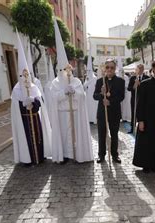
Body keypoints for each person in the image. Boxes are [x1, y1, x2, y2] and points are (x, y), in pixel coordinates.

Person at [48, 18, 93, 163]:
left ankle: (76, 154)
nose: (66, 72)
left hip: (75, 113)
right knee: (64, 135)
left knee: (76, 136)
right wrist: (63, 92)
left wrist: (74, 92)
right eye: (63, 69)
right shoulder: (55, 83)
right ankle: (65, 156)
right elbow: (53, 98)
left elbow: (82, 96)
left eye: (68, 69)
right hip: (62, 114)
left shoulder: (76, 81)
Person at [11, 31, 52, 165]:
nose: (25, 78)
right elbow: (15, 108)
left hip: (34, 117)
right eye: (23, 76)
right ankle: (28, 158)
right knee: (27, 138)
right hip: (23, 120)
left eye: (27, 75)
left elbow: (40, 101)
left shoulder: (34, 86)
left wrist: (33, 101)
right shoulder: (16, 89)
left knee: (38, 138)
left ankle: (40, 156)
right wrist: (23, 103)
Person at [93, 58, 125, 164]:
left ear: (115, 69)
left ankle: (115, 155)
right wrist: (102, 95)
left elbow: (121, 97)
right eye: (107, 67)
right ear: (104, 69)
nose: (109, 69)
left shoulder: (120, 81)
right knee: (101, 135)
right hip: (102, 113)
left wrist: (110, 102)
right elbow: (95, 96)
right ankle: (101, 155)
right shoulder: (99, 81)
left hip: (115, 112)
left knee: (114, 134)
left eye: (112, 67)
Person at [127, 64, 149, 134]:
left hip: (143, 100)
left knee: (143, 113)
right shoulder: (132, 78)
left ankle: (142, 128)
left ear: (143, 70)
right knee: (133, 113)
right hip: (134, 99)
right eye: (138, 69)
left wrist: (140, 85)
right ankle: (132, 128)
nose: (139, 70)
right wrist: (134, 86)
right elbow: (129, 88)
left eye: (141, 69)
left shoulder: (147, 78)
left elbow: (148, 90)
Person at [83, 53, 98, 124]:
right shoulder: (87, 78)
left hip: (93, 96)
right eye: (87, 71)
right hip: (88, 96)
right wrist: (87, 82)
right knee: (88, 108)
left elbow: (96, 86)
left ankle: (94, 119)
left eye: (89, 71)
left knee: (93, 108)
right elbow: (84, 86)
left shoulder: (94, 78)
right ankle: (89, 119)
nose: (88, 72)